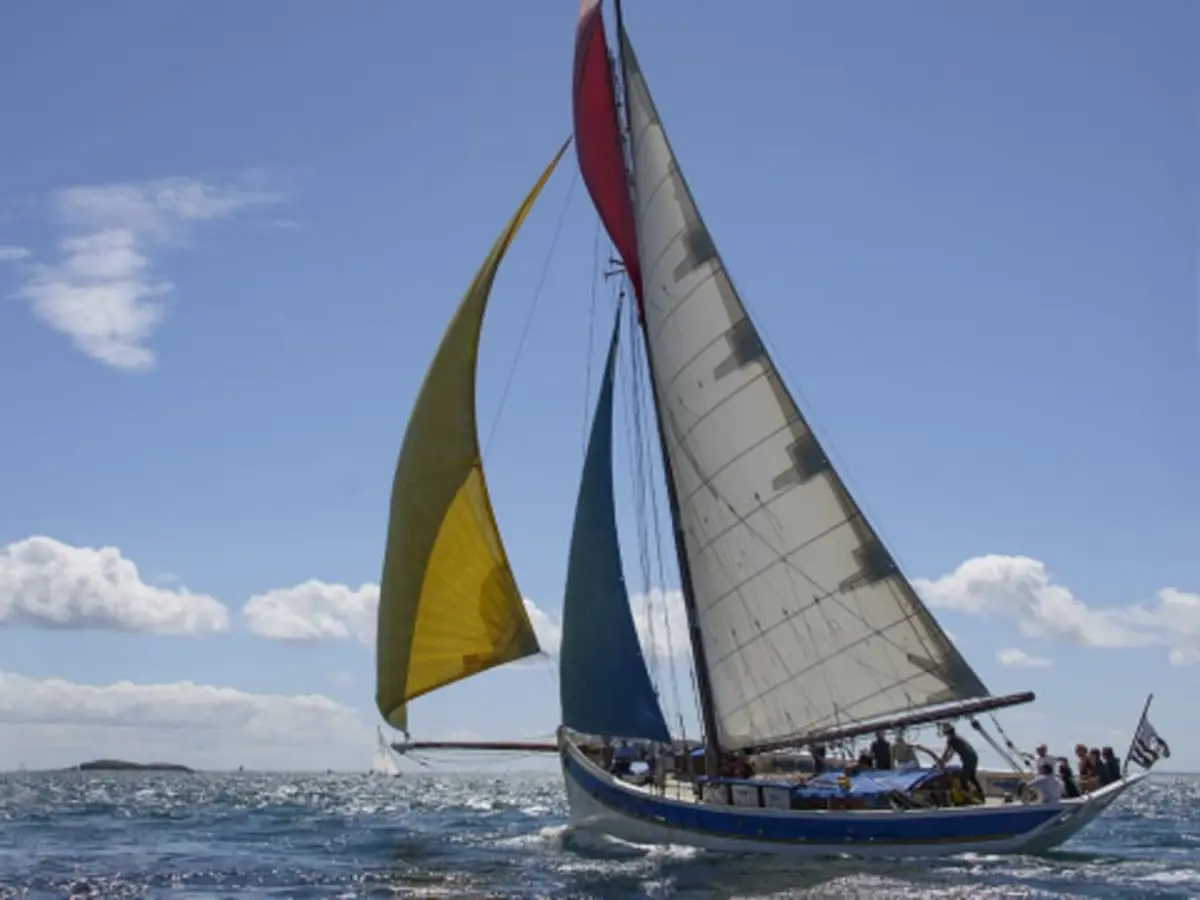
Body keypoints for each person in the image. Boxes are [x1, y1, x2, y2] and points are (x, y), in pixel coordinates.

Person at [940, 724, 984, 800]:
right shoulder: (956, 738)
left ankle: (967, 797)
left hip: (968, 759)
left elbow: (947, 752)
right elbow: (951, 753)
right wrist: (944, 761)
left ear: (946, 732)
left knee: (963, 778)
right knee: (971, 777)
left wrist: (941, 761)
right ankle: (980, 795)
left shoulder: (951, 739)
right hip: (973, 757)